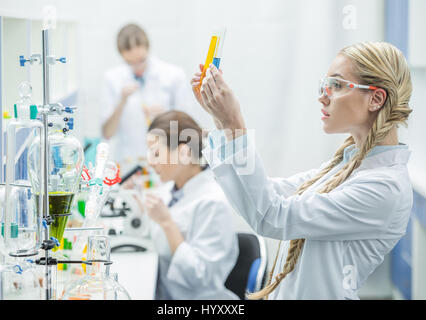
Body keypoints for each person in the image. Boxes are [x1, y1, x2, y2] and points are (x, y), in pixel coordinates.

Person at [191, 42, 413, 300]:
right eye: (325, 84)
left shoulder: (385, 187)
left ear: (376, 99)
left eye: (337, 85)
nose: (323, 95)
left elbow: (274, 216)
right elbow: (268, 196)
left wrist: (234, 122)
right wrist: (221, 119)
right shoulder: (345, 166)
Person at [132, 110, 239, 300]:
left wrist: (167, 224)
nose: (150, 161)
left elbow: (202, 278)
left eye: (156, 152)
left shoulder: (213, 203)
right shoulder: (171, 190)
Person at [101, 24, 192, 162]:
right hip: (128, 163)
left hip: (165, 160)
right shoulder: (112, 79)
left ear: (148, 48)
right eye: (130, 62)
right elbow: (107, 133)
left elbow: (188, 128)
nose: (137, 68)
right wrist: (122, 101)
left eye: (141, 60)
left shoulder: (174, 75)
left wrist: (165, 117)